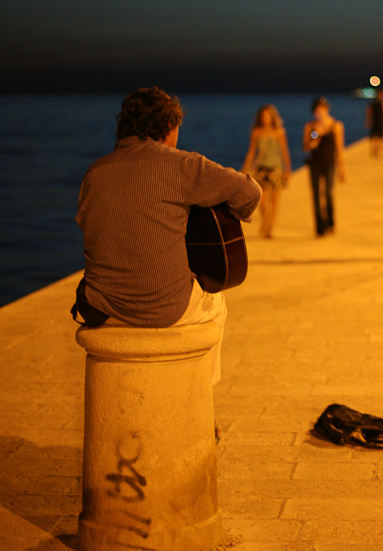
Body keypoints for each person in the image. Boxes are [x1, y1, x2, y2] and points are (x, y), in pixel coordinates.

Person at [73, 86, 261, 393]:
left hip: (102, 306)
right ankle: (202, 397)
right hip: (164, 308)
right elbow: (249, 192)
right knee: (217, 304)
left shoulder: (94, 172)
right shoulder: (180, 164)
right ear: (167, 128)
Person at [242, 104, 292, 238]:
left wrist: (288, 169)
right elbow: (251, 152)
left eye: (268, 116)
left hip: (276, 168)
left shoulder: (279, 132)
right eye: (263, 116)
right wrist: (244, 169)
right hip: (261, 169)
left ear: (272, 117)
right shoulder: (256, 132)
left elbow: (284, 151)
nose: (266, 119)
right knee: (262, 201)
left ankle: (270, 228)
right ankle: (265, 221)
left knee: (275, 201)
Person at [303, 97, 346, 237]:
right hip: (314, 163)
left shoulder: (336, 125)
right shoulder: (310, 126)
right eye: (316, 110)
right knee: (315, 195)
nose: (319, 112)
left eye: (322, 109)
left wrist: (342, 169)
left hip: (329, 163)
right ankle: (319, 227)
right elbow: (305, 146)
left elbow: (339, 149)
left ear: (327, 109)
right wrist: (311, 144)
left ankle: (330, 223)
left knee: (328, 193)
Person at [365, 89, 383, 157]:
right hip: (376, 121)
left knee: (378, 137)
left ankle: (377, 150)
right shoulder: (380, 103)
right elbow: (370, 112)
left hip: (379, 121)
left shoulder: (381, 103)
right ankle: (375, 149)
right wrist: (368, 120)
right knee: (375, 137)